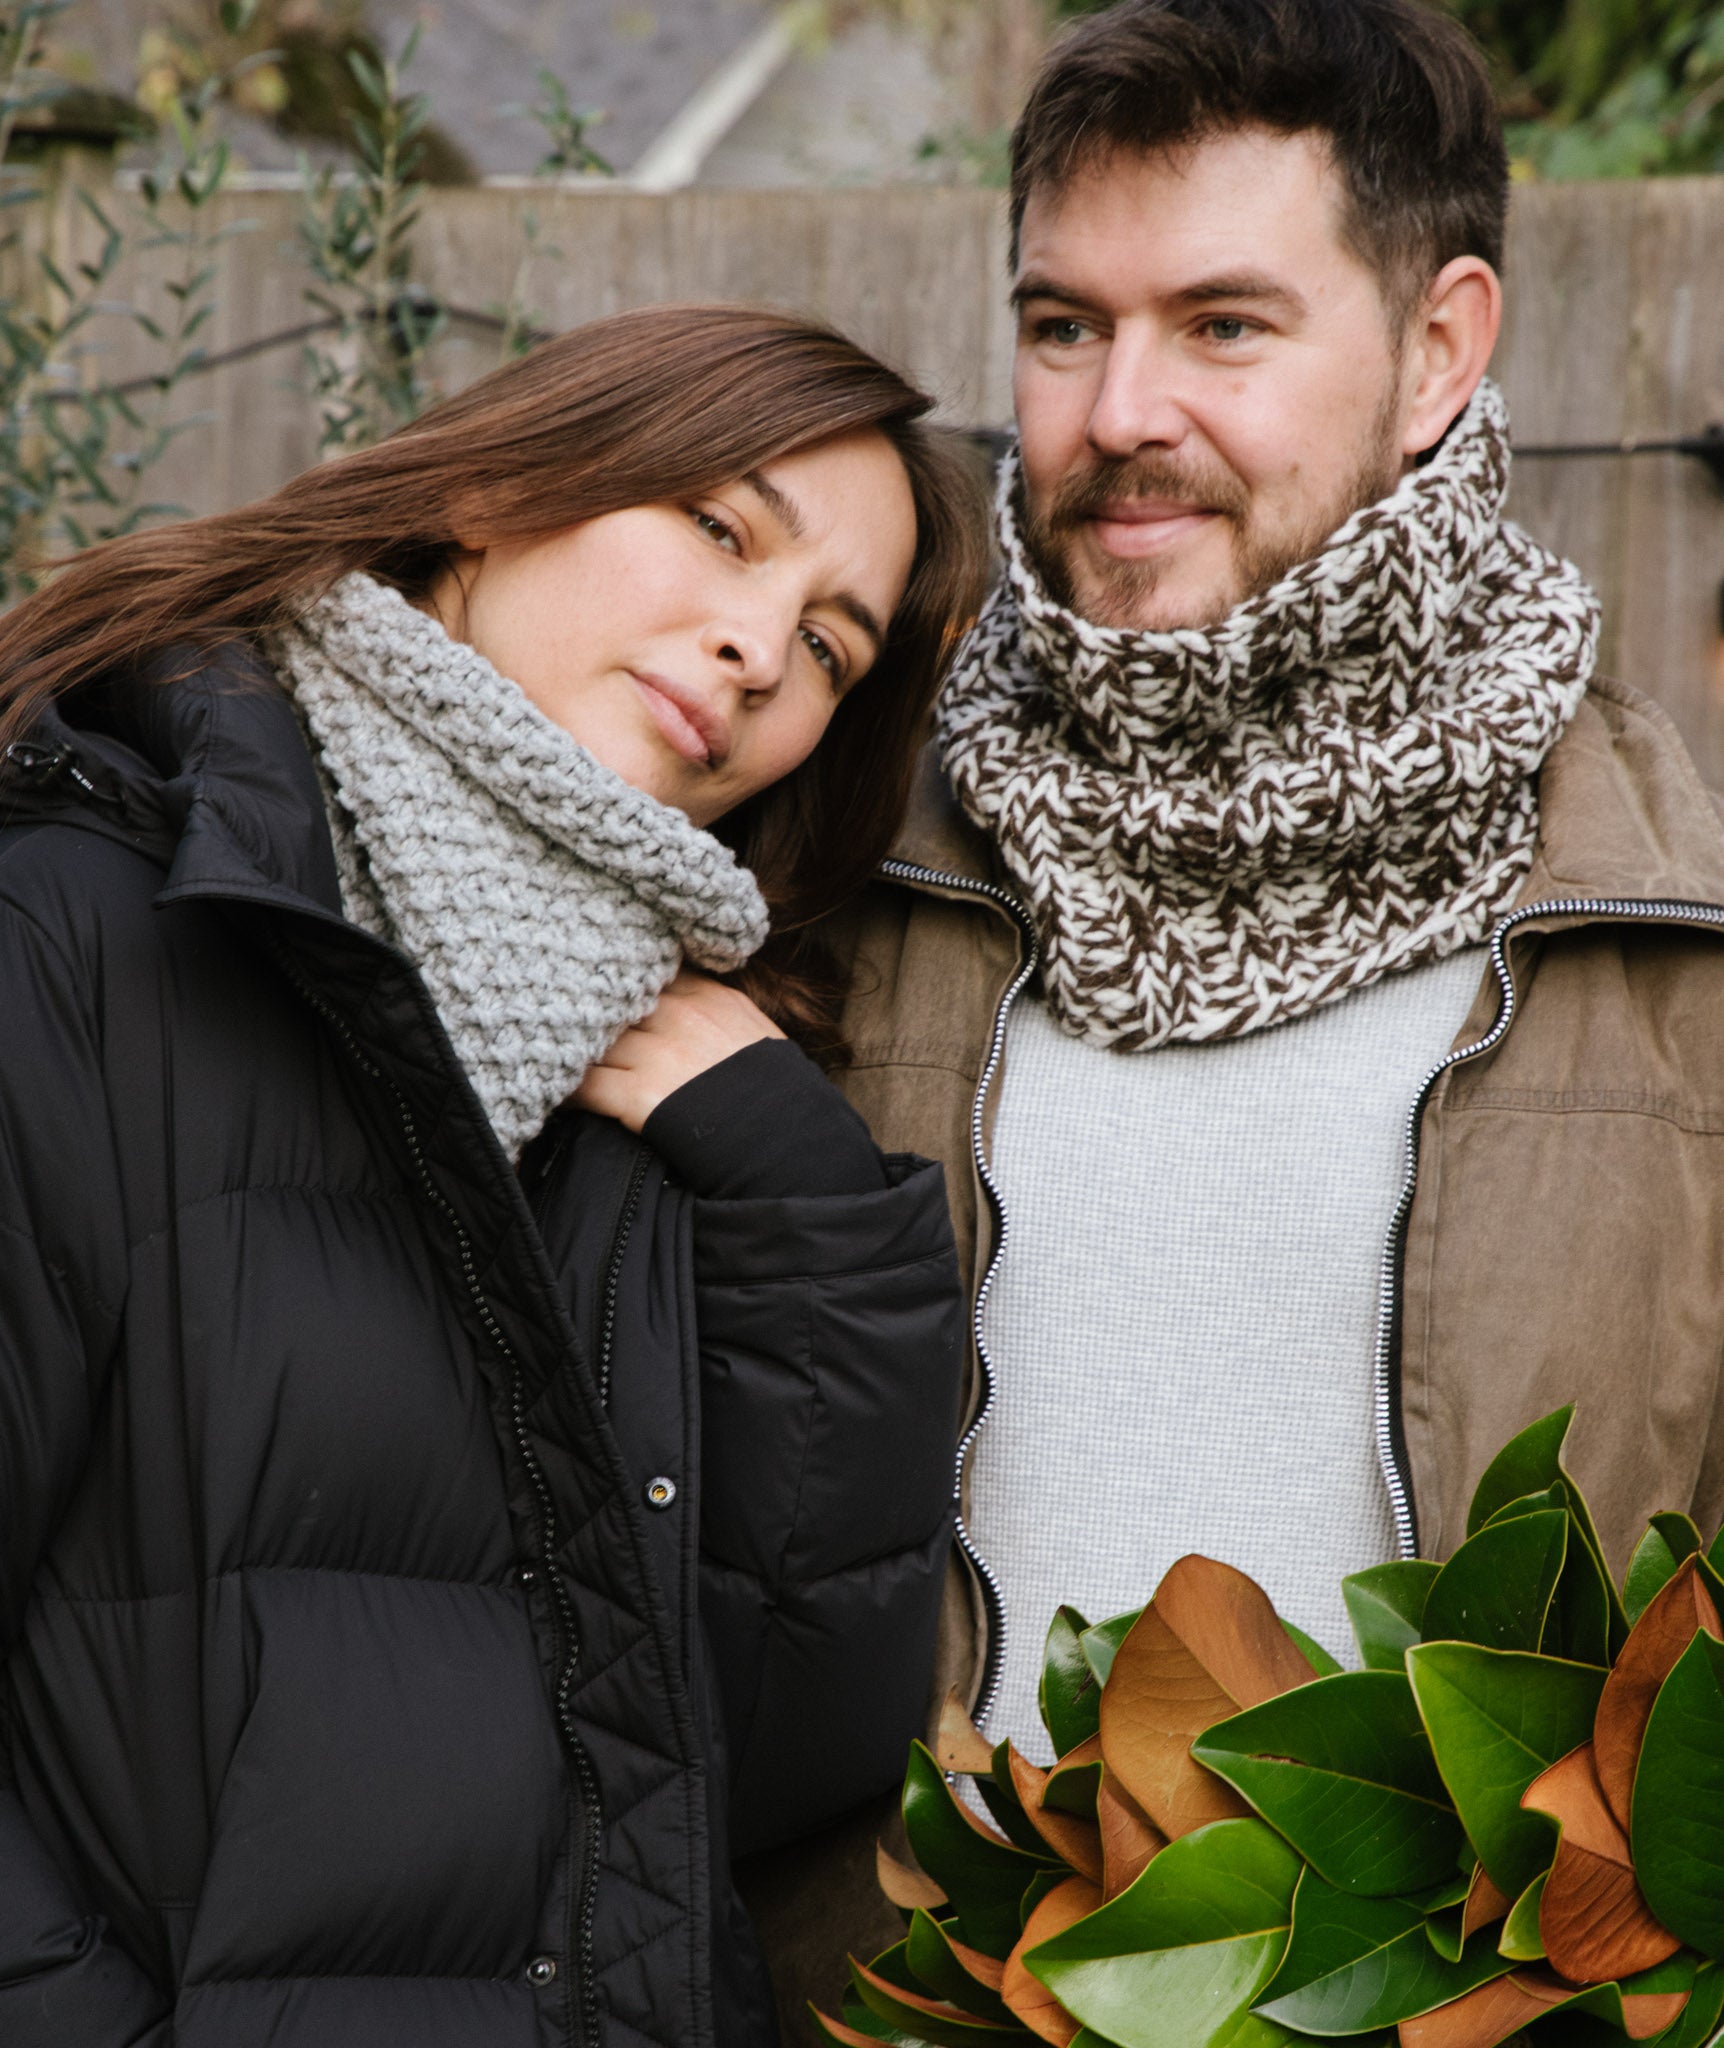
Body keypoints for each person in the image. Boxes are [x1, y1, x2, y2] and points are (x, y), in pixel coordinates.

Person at [739, 0, 1724, 2033]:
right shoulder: (826, 873)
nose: (1119, 412)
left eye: (1223, 325)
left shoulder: (1675, 940)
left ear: (1439, 350)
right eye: (1065, 325)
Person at [0, 303, 993, 2047]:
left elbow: (749, 1776)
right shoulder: (80, 938)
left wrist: (811, 1231)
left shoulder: (672, 1091)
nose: (760, 648)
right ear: (493, 494)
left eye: (831, 648)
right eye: (721, 528)